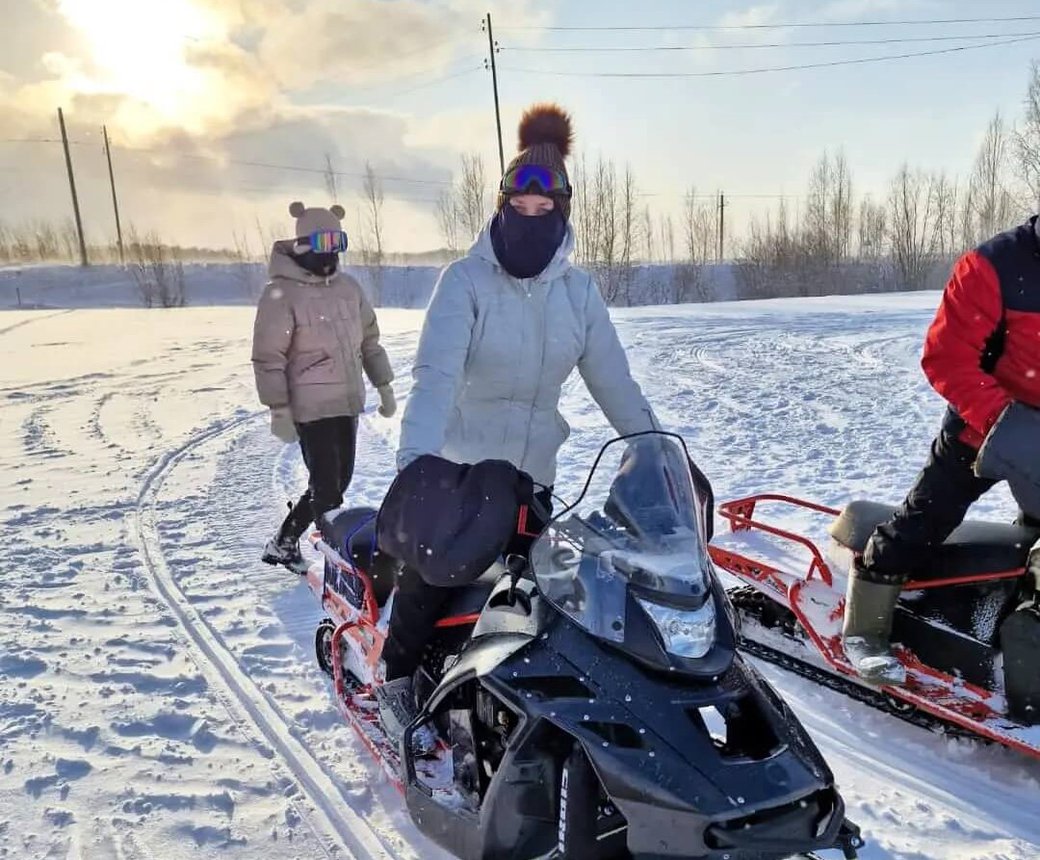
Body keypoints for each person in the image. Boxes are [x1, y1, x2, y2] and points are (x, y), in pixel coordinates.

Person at [374, 103, 660, 744]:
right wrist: (416, 466)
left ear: (563, 210)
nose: (532, 218)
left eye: (546, 208)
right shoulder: (466, 282)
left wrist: (658, 450)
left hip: (534, 478)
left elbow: (614, 381)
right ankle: (393, 680)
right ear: (503, 202)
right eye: (520, 205)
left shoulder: (577, 293)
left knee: (536, 601)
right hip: (459, 474)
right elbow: (435, 379)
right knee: (432, 583)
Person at [843, 214, 1040, 685]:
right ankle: (864, 630)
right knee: (925, 521)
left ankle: (1019, 624)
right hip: (983, 428)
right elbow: (947, 357)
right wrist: (1009, 424)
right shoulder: (993, 265)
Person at [252, 201, 396, 574]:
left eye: (338, 241)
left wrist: (384, 385)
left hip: (346, 403)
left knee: (336, 481)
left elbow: (369, 341)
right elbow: (269, 357)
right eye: (322, 241)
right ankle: (339, 563)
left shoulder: (349, 289)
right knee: (328, 490)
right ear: (302, 245)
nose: (330, 251)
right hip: (310, 408)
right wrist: (279, 410)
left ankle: (284, 541)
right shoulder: (281, 293)